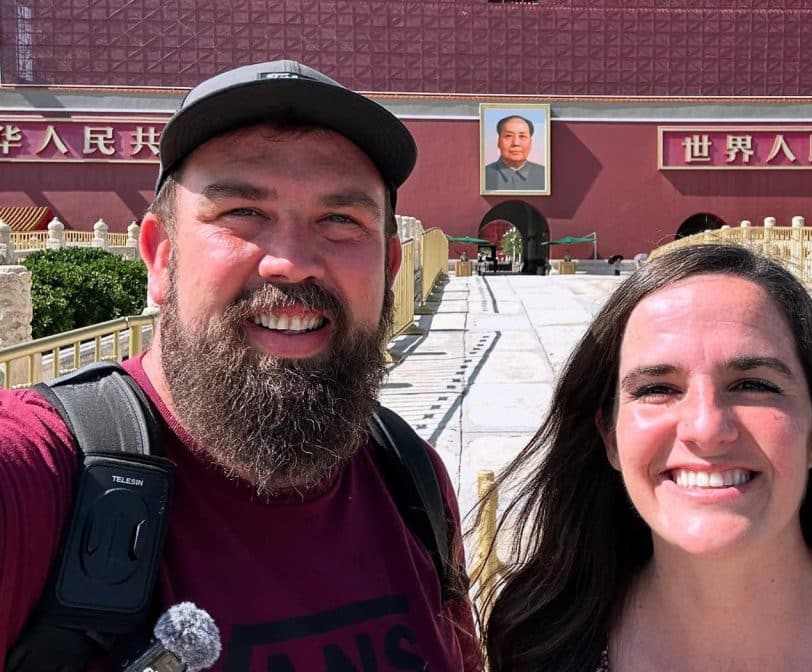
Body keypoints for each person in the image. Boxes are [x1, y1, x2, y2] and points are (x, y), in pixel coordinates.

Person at [0, 60, 480, 671]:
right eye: (242, 213)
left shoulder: (413, 481)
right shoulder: (42, 478)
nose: (291, 262)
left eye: (340, 220)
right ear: (161, 258)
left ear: (388, 269)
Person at [479, 243, 812, 671]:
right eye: (657, 389)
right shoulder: (541, 644)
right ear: (609, 437)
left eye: (754, 384)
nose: (706, 427)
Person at [483, 115, 546, 191]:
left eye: (522, 136)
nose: (516, 143)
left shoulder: (545, 175)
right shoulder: (483, 175)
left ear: (531, 143)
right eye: (508, 136)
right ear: (498, 141)